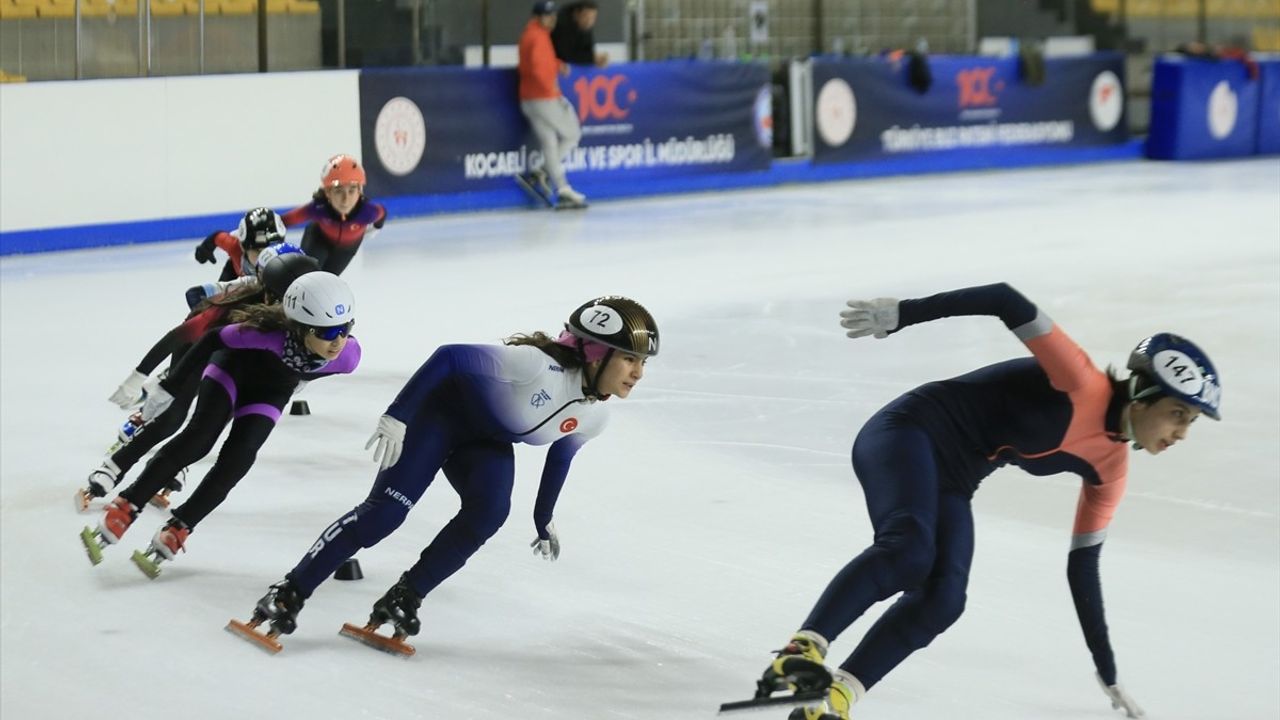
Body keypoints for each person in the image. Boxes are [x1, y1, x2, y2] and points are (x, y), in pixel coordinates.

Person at [758, 283, 1220, 720]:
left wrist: (1108, 669)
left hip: (955, 479)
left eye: (1192, 421)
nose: (1181, 432)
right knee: (910, 550)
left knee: (944, 599)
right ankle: (804, 649)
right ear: (1140, 397)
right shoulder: (1079, 380)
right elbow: (1005, 299)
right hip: (908, 431)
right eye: (1177, 413)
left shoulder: (1111, 469)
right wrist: (904, 314)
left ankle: (837, 697)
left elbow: (1083, 567)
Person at [232, 296, 658, 649]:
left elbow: (560, 459)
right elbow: (450, 357)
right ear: (595, 353)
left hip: (484, 440)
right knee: (384, 515)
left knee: (490, 512)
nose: (638, 373)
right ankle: (288, 592)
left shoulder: (595, 417)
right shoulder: (534, 365)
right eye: (629, 359)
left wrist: (542, 518)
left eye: (641, 362)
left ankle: (404, 597)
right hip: (438, 416)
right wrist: (398, 415)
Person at [80, 272, 362, 578]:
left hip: (271, 391)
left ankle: (182, 525)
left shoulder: (348, 357)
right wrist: (172, 386)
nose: (338, 341)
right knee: (199, 439)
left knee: (239, 459)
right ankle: (128, 504)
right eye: (327, 331)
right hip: (231, 371)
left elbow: (317, 362)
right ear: (299, 326)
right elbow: (211, 338)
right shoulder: (266, 335)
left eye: (345, 328)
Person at [79, 248, 321, 512]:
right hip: (200, 347)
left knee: (207, 427)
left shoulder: (309, 316)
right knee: (172, 417)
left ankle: (171, 465)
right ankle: (114, 466)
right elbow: (180, 335)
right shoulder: (238, 300)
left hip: (239, 363)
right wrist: (140, 376)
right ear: (270, 295)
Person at [517, 1, 587, 210]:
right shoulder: (537, 37)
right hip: (544, 98)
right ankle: (544, 172)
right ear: (538, 17)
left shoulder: (533, 35)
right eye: (548, 16)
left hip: (529, 99)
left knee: (549, 143)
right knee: (573, 134)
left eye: (554, 16)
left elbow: (540, 62)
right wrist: (553, 93)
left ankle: (558, 185)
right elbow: (538, 70)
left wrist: (557, 65)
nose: (552, 19)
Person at [279, 154, 387, 276]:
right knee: (306, 276)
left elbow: (382, 213)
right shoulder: (319, 208)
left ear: (359, 192)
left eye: (351, 191)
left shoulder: (367, 212)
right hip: (318, 239)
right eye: (338, 191)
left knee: (327, 281)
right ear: (327, 192)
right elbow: (285, 220)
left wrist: (376, 227)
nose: (345, 200)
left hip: (346, 249)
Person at [193, 207, 288, 283]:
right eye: (258, 251)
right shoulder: (234, 247)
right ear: (243, 248)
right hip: (234, 273)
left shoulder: (288, 258)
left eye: (270, 249)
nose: (265, 256)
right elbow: (217, 237)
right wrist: (204, 249)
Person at [552, 1, 608, 68]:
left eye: (593, 18)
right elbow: (566, 55)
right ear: (576, 14)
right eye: (586, 16)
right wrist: (592, 58)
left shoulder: (585, 25)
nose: (589, 21)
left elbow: (587, 50)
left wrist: (596, 58)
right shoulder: (560, 24)